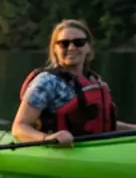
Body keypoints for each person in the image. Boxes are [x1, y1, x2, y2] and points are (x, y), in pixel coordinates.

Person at [12, 18, 133, 146]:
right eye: (64, 43)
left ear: (88, 48)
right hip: (61, 153)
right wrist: (48, 138)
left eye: (79, 42)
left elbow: (103, 125)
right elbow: (19, 127)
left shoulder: (94, 80)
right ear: (54, 49)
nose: (71, 48)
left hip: (97, 149)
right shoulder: (46, 82)